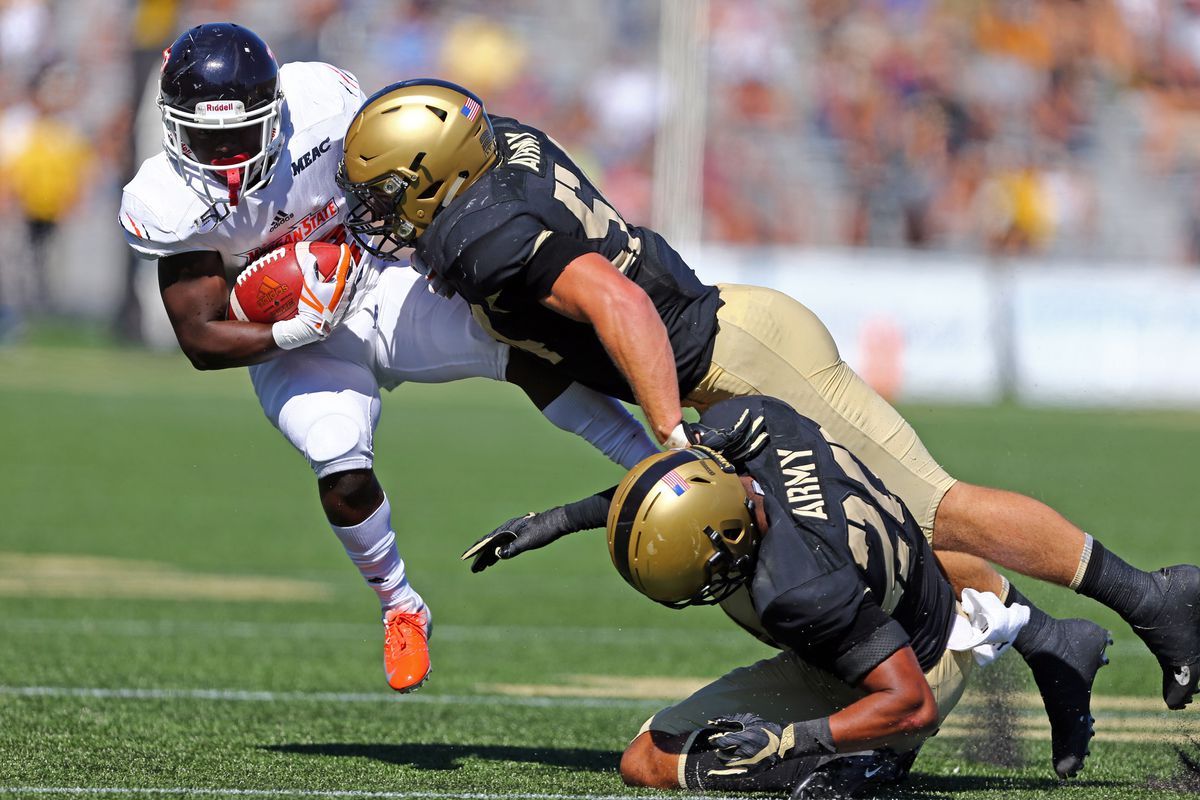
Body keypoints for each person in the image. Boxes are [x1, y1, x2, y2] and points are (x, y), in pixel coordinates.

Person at [338, 78, 1199, 716]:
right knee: (878, 538)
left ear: (435, 175)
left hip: (737, 364)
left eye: (387, 198)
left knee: (936, 509)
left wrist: (670, 434)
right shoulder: (495, 159)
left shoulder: (485, 235)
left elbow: (619, 302)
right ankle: (1049, 640)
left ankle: (1151, 598)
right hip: (726, 356)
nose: (379, 218)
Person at [119, 24, 657, 694]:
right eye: (207, 140)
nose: (226, 158)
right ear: (173, 128)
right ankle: (400, 603)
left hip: (377, 276)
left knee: (516, 343)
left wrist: (427, 252)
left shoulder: (322, 106)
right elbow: (201, 338)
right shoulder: (164, 202)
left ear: (276, 114)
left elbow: (403, 177)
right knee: (339, 463)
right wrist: (296, 329)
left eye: (241, 135)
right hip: (290, 332)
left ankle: (652, 462)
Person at [469, 394, 1036, 798]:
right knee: (651, 754)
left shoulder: (798, 587)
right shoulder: (750, 425)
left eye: (702, 575)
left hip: (916, 670)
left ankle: (865, 759)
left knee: (650, 761)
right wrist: (562, 519)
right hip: (899, 602)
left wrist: (791, 742)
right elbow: (677, 483)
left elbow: (913, 703)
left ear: (734, 538)